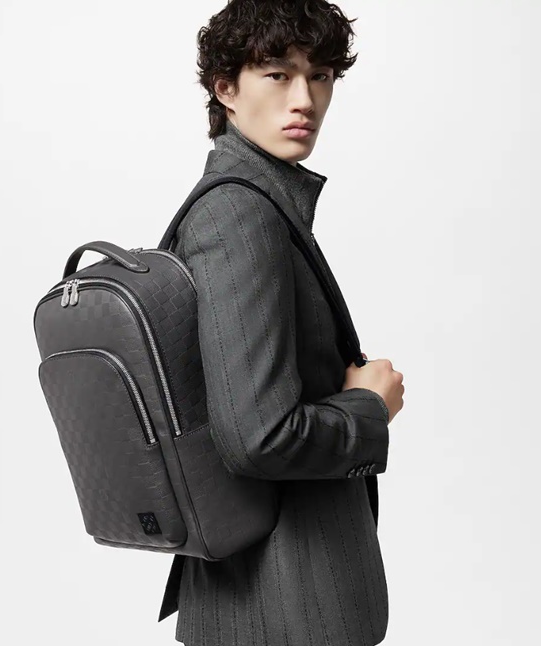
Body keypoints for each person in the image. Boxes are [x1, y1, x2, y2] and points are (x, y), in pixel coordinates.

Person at [158, 1, 405, 644]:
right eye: (278, 75)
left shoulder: (261, 203)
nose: (305, 100)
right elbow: (258, 437)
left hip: (266, 601)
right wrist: (368, 407)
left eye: (320, 76)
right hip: (282, 606)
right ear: (226, 89)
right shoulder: (239, 216)